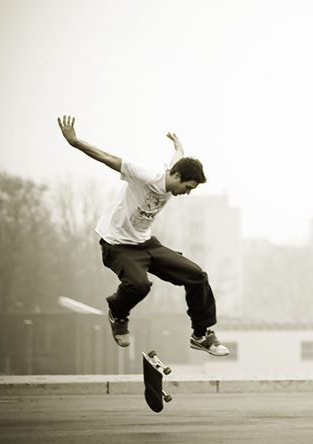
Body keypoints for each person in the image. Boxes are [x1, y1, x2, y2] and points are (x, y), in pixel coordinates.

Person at [57, 115, 229, 356]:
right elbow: (109, 158)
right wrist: (76, 142)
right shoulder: (145, 175)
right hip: (117, 245)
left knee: (197, 276)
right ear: (177, 177)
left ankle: (200, 335)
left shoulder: (174, 174)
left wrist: (179, 149)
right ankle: (118, 313)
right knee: (139, 285)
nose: (187, 193)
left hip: (146, 243)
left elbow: (177, 162)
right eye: (188, 187)